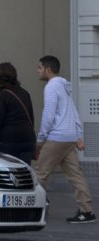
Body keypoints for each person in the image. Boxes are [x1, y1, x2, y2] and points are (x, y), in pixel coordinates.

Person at [36, 55, 95, 223]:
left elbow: (48, 114)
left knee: (40, 173)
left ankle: (33, 208)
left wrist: (41, 138)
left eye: (39, 68)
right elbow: (73, 111)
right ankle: (87, 211)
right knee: (75, 174)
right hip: (69, 137)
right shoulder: (64, 86)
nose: (37, 71)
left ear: (48, 69)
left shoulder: (51, 87)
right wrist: (78, 136)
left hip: (56, 136)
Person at [0, 62, 36, 164]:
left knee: (10, 172)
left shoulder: (2, 97)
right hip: (27, 139)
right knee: (24, 170)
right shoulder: (25, 93)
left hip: (8, 142)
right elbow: (31, 117)